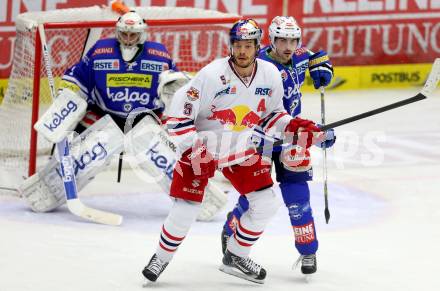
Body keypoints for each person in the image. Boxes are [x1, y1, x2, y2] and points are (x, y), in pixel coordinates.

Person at [141, 19, 324, 284]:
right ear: (232, 46)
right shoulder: (212, 75)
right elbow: (178, 116)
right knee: (186, 208)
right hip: (202, 147)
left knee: (265, 203)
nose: (242, 51)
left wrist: (294, 126)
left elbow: (272, 115)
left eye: (248, 46)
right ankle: (160, 258)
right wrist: (194, 148)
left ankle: (237, 255)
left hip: (239, 148)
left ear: (256, 46)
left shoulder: (270, 74)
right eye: (238, 45)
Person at [20, 11, 176, 212]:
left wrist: (175, 89)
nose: (128, 39)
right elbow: (79, 77)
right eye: (124, 34)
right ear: (117, 32)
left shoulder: (159, 55)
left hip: (144, 118)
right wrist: (68, 92)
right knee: (75, 138)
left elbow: (173, 86)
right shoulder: (101, 50)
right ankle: (52, 181)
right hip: (104, 113)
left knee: (171, 143)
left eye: (133, 35)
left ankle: (188, 187)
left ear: (142, 35)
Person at [221, 16, 336, 275]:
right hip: (258, 138)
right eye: (282, 40)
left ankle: (308, 251)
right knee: (256, 197)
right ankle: (230, 230)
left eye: (293, 40)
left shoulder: (299, 54)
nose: (287, 45)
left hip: (291, 134)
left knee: (298, 197)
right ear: (270, 40)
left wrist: (323, 64)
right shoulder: (257, 63)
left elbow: (316, 56)